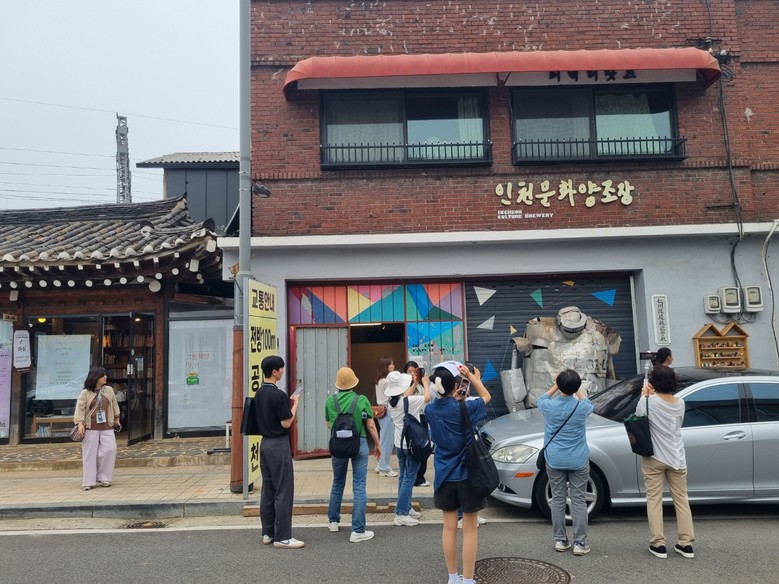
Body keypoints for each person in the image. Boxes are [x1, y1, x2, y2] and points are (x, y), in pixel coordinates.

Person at [425, 361, 491, 584]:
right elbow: (487, 397)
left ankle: (452, 577)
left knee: (449, 528)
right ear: (456, 386)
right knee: (470, 530)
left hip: (444, 475)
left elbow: (443, 404)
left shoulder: (430, 410)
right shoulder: (466, 407)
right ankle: (468, 579)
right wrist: (473, 378)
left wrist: (454, 394)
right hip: (468, 475)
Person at [635, 365, 695, 559]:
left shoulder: (647, 401)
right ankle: (686, 543)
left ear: (653, 382)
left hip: (654, 457)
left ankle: (658, 544)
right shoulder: (680, 403)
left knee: (654, 499)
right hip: (677, 456)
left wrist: (644, 396)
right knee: (682, 499)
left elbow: (638, 419)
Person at [537, 369, 594, 556]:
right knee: (579, 500)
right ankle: (580, 543)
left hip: (554, 459)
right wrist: (576, 389)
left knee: (558, 499)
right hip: (578, 459)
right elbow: (587, 402)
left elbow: (541, 399)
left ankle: (560, 540)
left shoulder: (548, 406)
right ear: (577, 387)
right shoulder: (582, 408)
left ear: (559, 385)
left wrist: (555, 386)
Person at [325, 366, 382, 542]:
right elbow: (371, 425)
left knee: (337, 482)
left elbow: (329, 424)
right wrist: (378, 444)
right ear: (353, 383)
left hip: (338, 446)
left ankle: (333, 521)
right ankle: (358, 530)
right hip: (359, 444)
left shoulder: (330, 401)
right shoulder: (361, 400)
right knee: (359, 485)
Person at [254, 355, 304, 549]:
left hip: (265, 443)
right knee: (283, 489)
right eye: (281, 368)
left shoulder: (259, 393)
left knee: (268, 489)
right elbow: (286, 423)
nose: (283, 371)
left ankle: (268, 532)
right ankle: (283, 537)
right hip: (278, 444)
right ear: (274, 372)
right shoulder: (279, 395)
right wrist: (295, 403)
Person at [386, 369, 430, 526]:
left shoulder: (392, 402)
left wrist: (415, 383)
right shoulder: (409, 402)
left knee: (403, 477)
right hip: (411, 445)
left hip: (400, 445)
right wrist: (425, 383)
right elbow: (427, 398)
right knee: (409, 478)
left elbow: (404, 396)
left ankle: (405, 506)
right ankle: (401, 513)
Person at [73, 366, 121, 491]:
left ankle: (104, 477)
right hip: (91, 427)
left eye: (105, 375)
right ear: (95, 377)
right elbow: (80, 408)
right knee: (89, 454)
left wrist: (116, 418)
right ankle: (88, 481)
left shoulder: (109, 390)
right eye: (102, 375)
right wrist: (80, 424)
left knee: (110, 449)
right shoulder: (85, 393)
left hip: (107, 426)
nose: (105, 377)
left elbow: (114, 404)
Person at [404, 360, 431, 487]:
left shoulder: (420, 384)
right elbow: (405, 397)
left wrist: (424, 383)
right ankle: (417, 478)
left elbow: (428, 399)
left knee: (424, 446)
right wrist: (415, 383)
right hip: (412, 419)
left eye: (414, 371)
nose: (412, 374)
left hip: (422, 417)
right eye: (409, 371)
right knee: (415, 447)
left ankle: (419, 475)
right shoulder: (405, 385)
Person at [374, 357, 398, 477]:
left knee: (384, 438)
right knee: (388, 441)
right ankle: (384, 468)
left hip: (382, 411)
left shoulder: (380, 380)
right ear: (386, 367)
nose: (393, 366)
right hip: (387, 411)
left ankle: (380, 464)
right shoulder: (386, 382)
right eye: (391, 364)